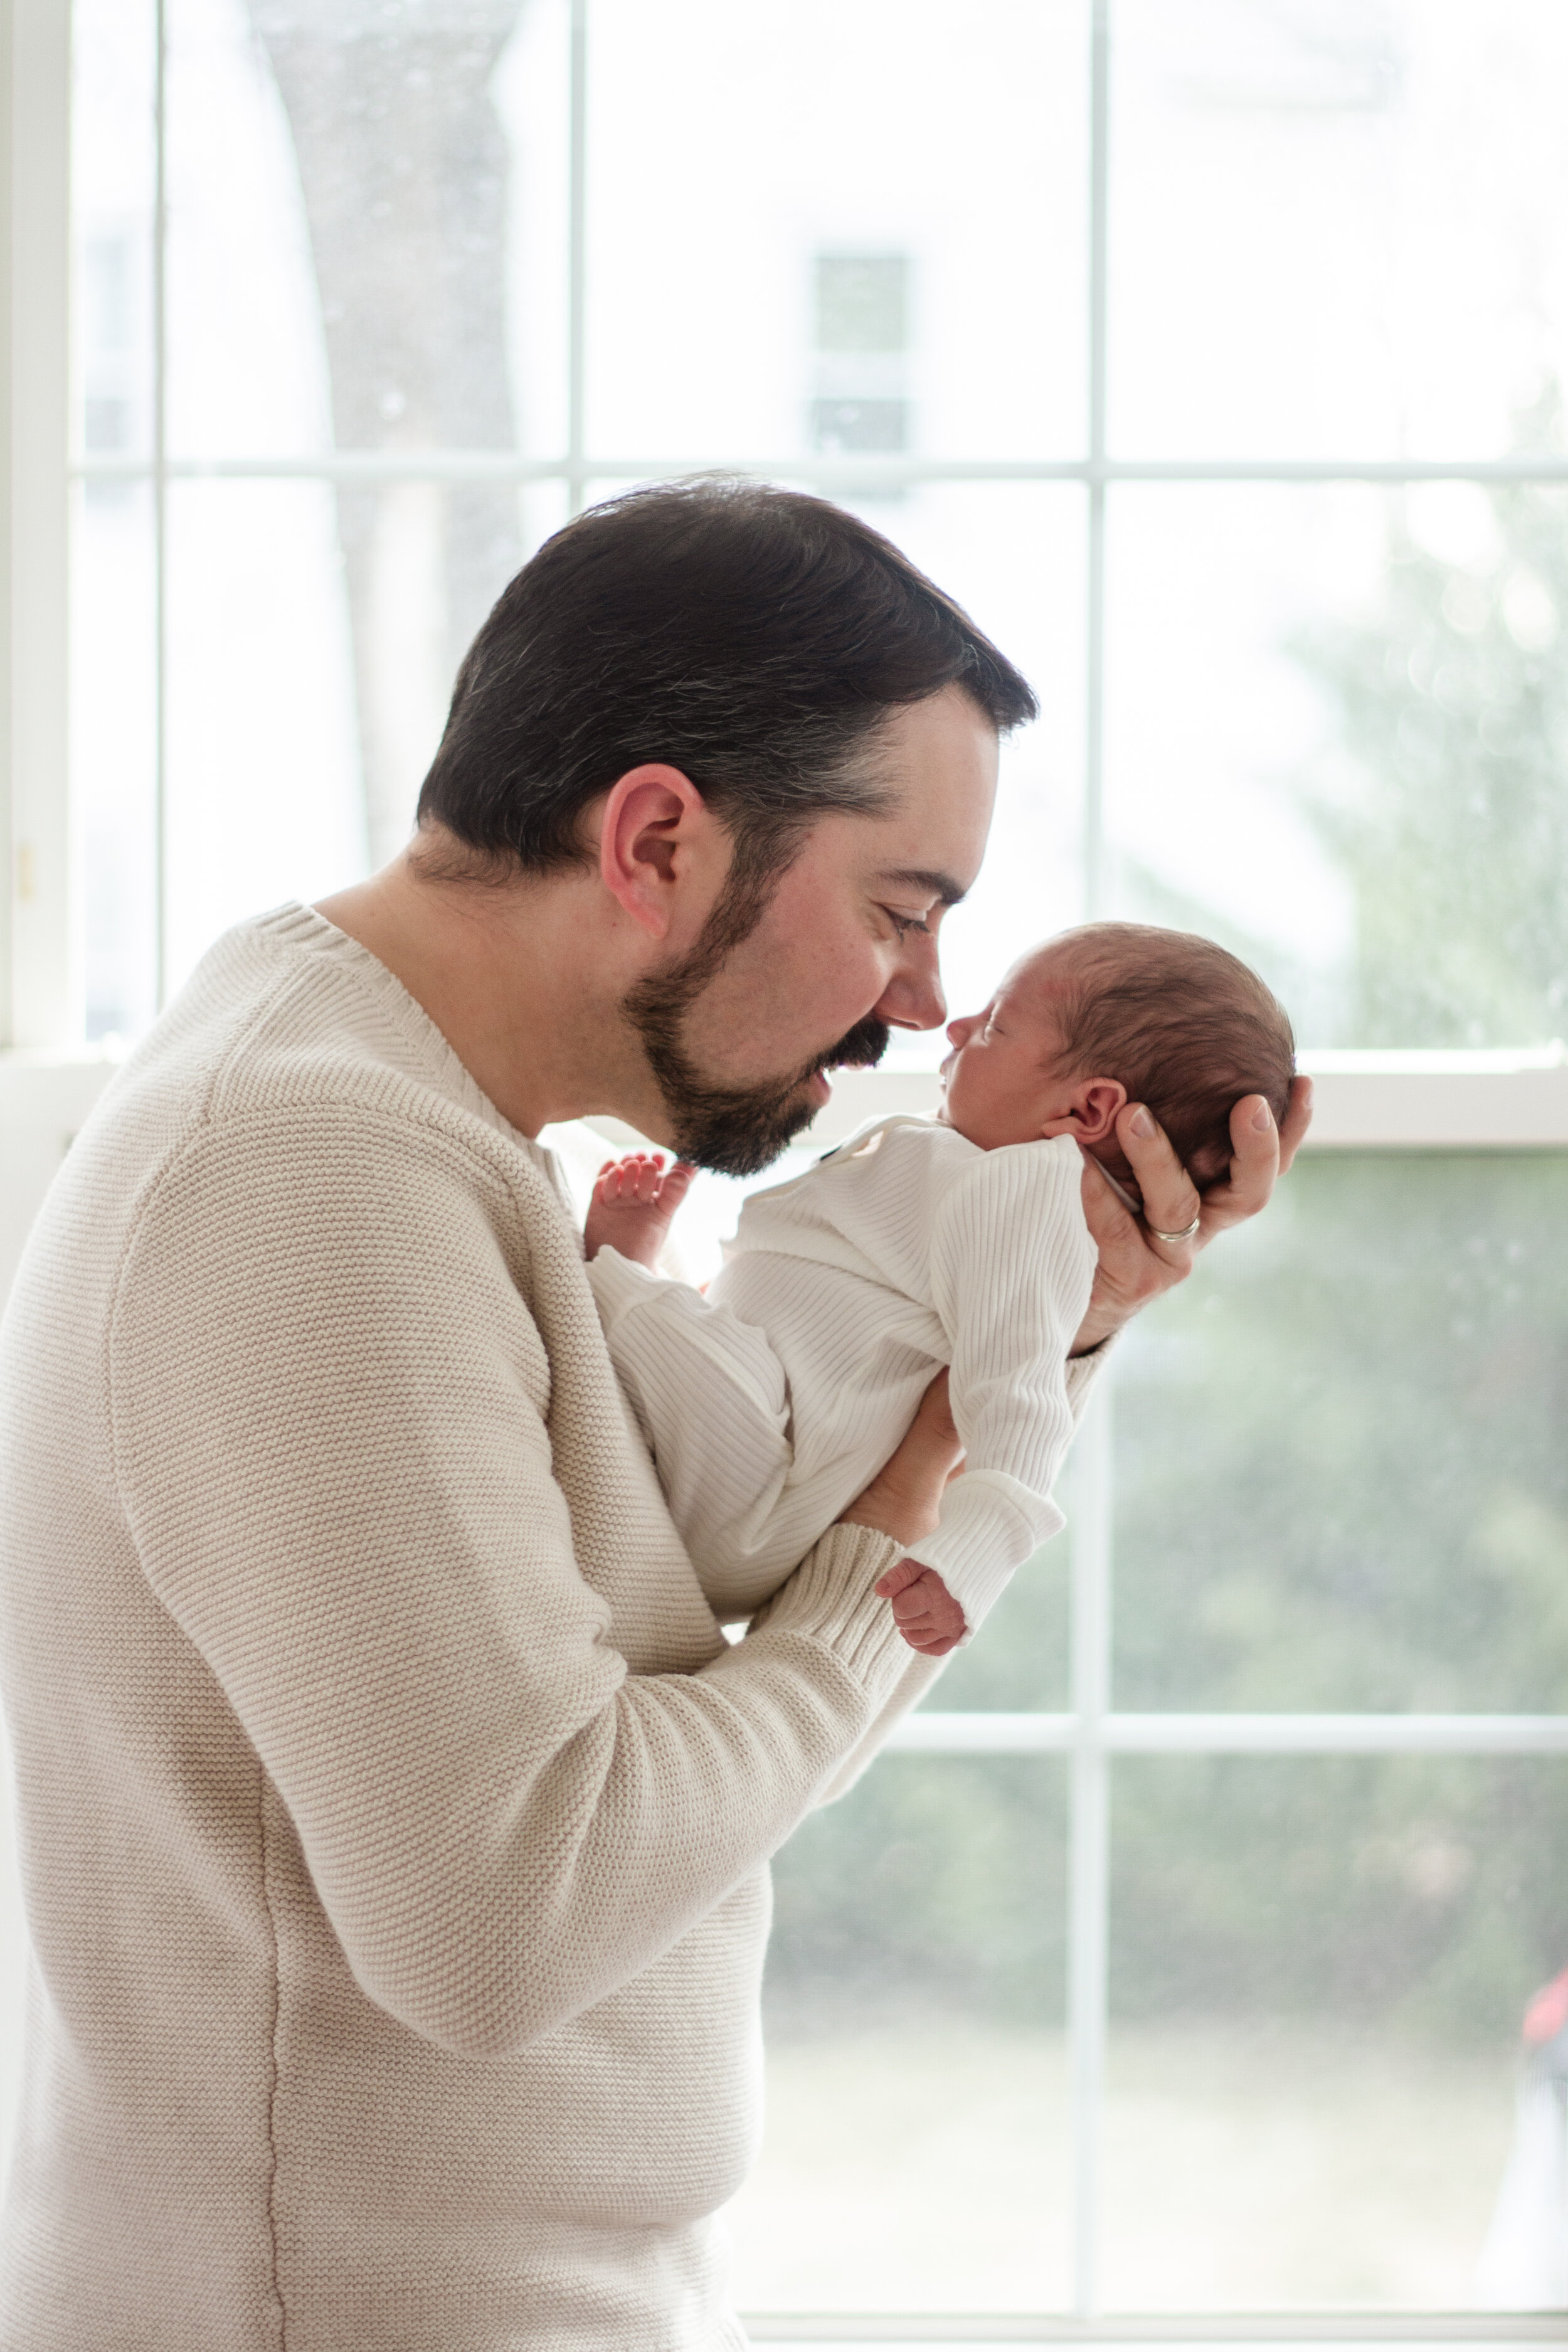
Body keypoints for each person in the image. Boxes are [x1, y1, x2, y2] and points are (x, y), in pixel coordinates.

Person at [0, 479, 1310, 2351]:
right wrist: (934, 1471)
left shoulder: (400, 1135)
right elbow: (509, 1913)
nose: (923, 1004)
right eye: (900, 909)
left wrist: (1036, 1328)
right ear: (654, 839)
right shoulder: (313, 1172)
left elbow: (714, 1726)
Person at [585, 922, 1296, 1659]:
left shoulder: (1022, 1198)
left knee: (663, 1322)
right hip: (748, 1440)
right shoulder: (969, 1166)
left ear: (1085, 1110)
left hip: (756, 1485)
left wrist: (973, 1556)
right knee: (691, 1325)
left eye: (991, 1027)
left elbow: (1021, 1403)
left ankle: (615, 1268)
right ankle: (637, 1284)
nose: (954, 1025)